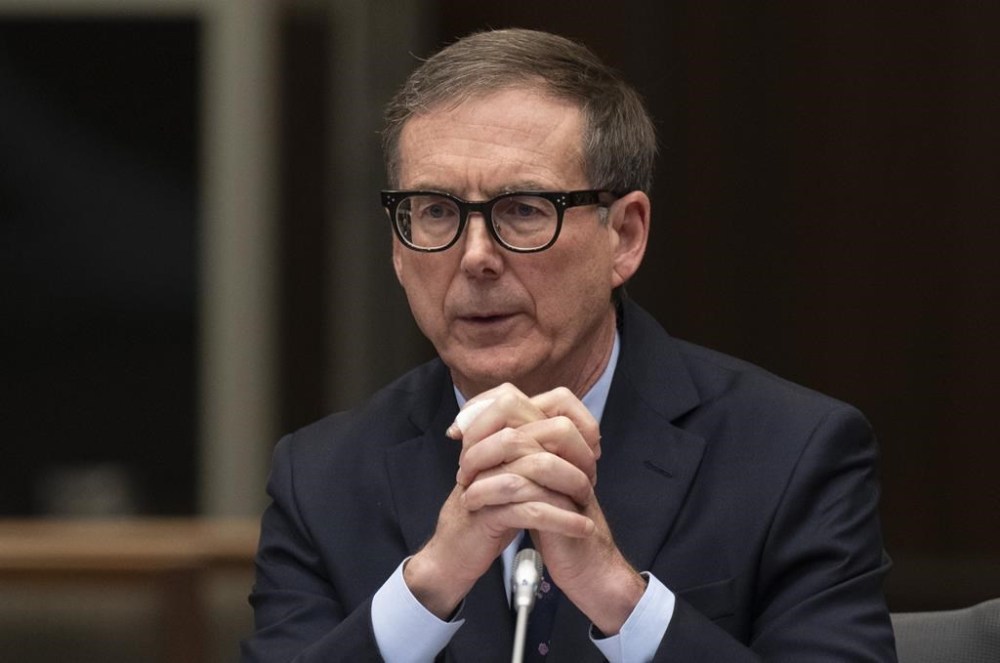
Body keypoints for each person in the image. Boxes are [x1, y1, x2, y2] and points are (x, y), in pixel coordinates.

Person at [241, 28, 896, 662]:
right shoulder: (321, 477)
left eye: (524, 209)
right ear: (397, 245)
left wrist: (620, 597)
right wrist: (431, 583)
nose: (475, 257)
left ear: (626, 235)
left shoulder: (791, 454)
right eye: (436, 210)